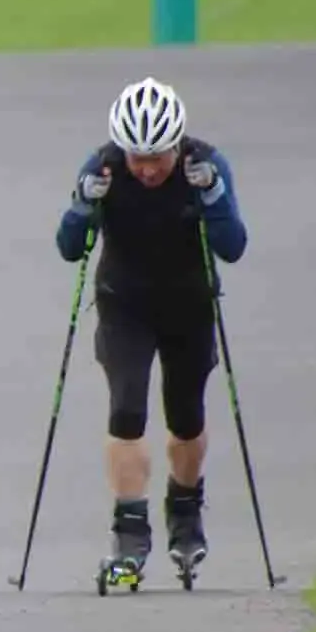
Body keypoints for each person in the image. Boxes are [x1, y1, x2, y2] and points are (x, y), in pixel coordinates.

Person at [57, 76, 245, 581]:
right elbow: (70, 247)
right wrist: (82, 204)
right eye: (136, 157)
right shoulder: (104, 168)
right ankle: (130, 529)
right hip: (125, 306)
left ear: (176, 144)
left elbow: (233, 246)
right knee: (127, 408)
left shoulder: (204, 165)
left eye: (156, 157)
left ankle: (185, 512)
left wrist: (215, 196)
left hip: (189, 305)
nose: (145, 169)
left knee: (185, 417)